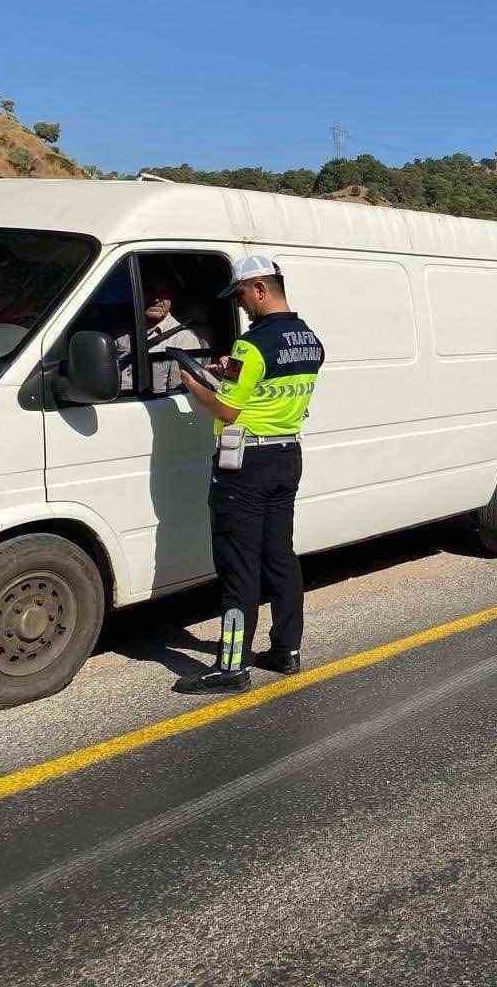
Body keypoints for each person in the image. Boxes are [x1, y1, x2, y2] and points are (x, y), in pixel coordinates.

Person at [176, 254, 325, 694]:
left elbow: (229, 408)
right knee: (279, 555)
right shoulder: (309, 339)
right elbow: (267, 388)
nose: (240, 305)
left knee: (238, 564)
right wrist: (227, 373)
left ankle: (232, 665)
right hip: (286, 456)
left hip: (245, 465)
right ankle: (286, 650)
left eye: (241, 295)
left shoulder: (252, 344)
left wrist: (196, 383)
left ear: (261, 289)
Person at [115, 268, 213, 393]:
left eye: (164, 293)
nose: (157, 299)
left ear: (171, 298)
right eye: (150, 291)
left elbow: (179, 395)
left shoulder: (183, 339)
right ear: (138, 292)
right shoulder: (122, 331)